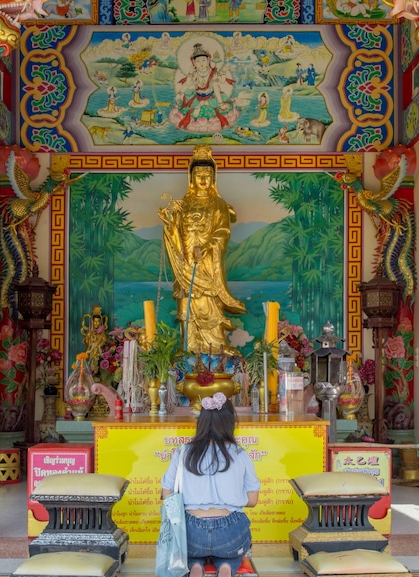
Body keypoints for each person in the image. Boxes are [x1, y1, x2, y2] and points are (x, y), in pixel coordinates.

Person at [159, 145, 247, 355]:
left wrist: (208, 246)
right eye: (199, 174)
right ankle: (188, 347)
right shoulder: (183, 204)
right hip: (186, 262)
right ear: (191, 177)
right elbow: (175, 234)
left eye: (208, 174)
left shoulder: (218, 204)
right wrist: (168, 222)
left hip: (208, 262)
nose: (203, 178)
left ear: (214, 177)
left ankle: (217, 346)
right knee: (186, 305)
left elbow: (223, 231)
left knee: (211, 302)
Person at [161, 393, 260, 577]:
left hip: (192, 533)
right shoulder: (240, 454)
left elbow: (167, 495)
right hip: (230, 534)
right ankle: (226, 567)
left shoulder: (183, 452)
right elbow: (253, 500)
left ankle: (195, 567)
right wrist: (229, 496)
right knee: (230, 554)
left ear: (201, 422)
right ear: (230, 422)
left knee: (191, 553)